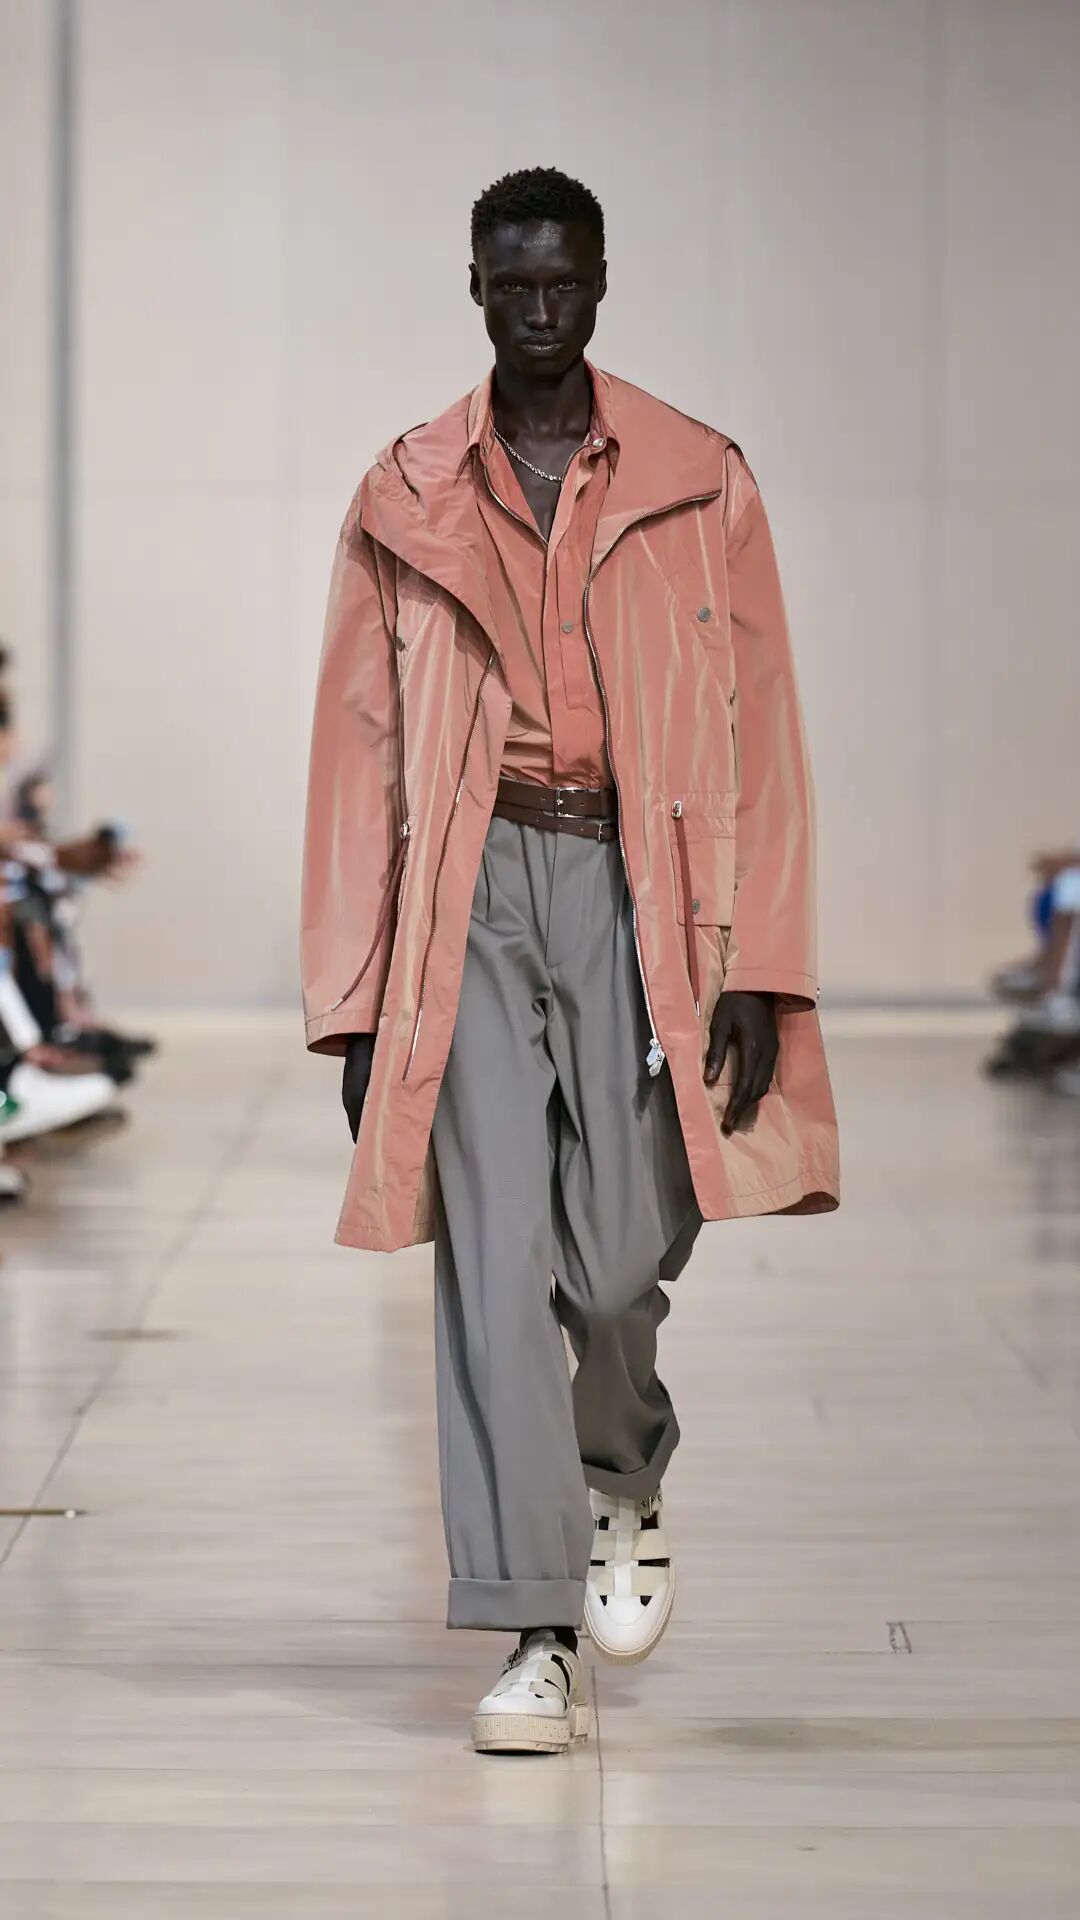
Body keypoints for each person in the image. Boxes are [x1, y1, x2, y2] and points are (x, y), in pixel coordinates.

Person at [301, 167, 839, 1754]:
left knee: (611, 1259)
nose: (541, 309)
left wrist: (765, 962)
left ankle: (620, 1467)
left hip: (636, 882)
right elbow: (357, 754)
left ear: (600, 285)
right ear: (475, 287)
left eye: (565, 283)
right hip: (468, 889)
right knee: (488, 1256)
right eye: (514, 284)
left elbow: (765, 731)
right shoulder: (404, 490)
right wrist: (356, 1002)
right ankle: (532, 1625)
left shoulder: (697, 479)